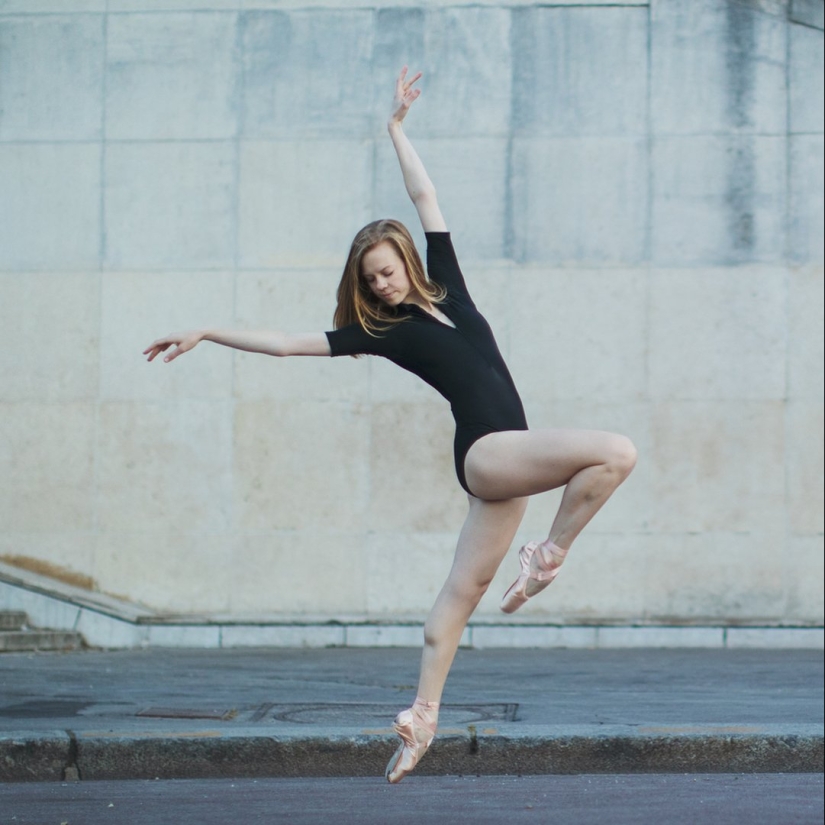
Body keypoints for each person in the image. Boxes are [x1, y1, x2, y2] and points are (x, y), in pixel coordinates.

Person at [144, 67, 637, 783]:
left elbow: (425, 196)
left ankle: (420, 717)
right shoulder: (381, 330)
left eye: (386, 270)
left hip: (507, 471)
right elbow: (287, 344)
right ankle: (549, 556)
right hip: (487, 453)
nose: (381, 283)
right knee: (614, 451)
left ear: (405, 258)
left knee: (459, 596)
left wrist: (396, 129)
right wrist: (208, 330)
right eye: (369, 278)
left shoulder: (448, 285)